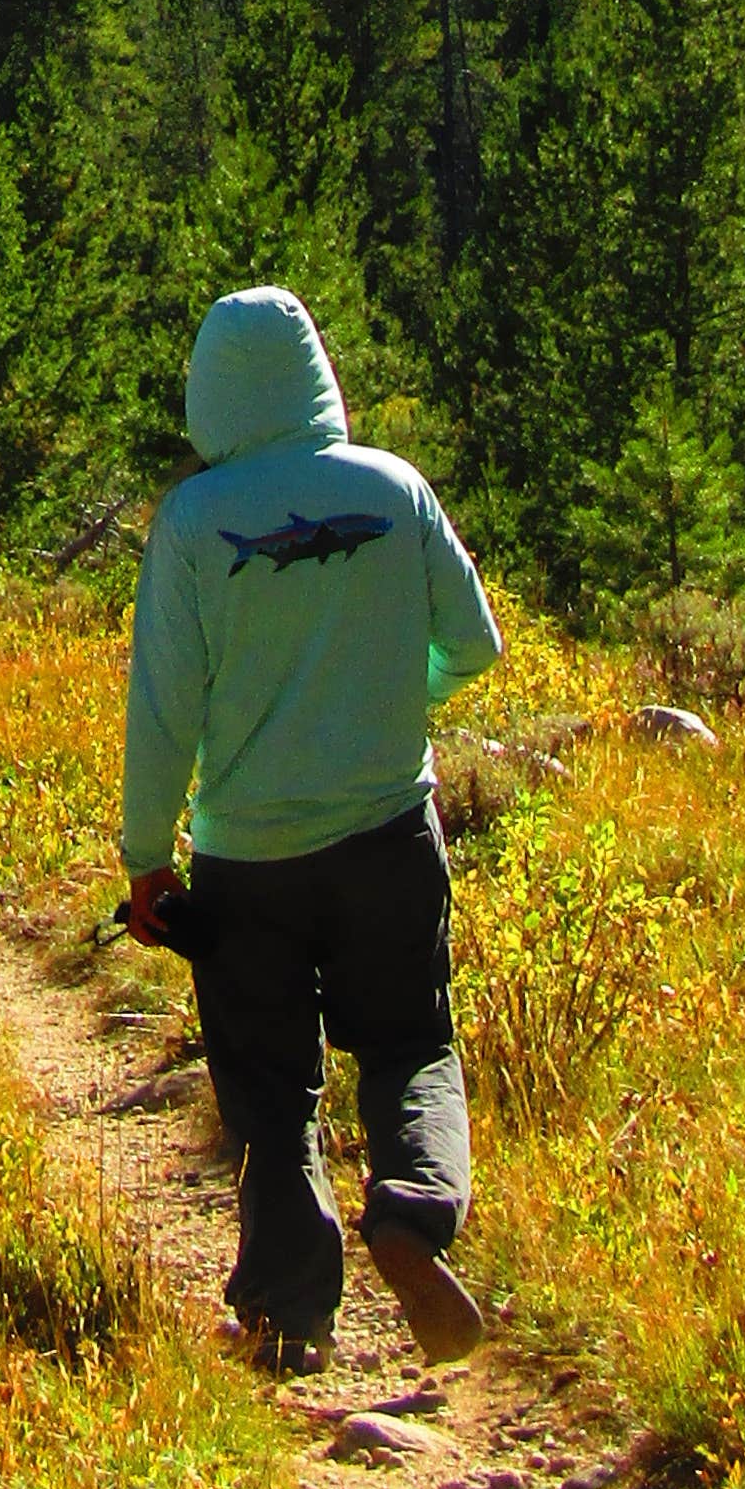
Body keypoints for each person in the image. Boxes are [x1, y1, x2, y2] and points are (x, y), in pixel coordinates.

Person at [119, 282, 502, 1371]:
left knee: (269, 1082)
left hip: (247, 862)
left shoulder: (194, 521)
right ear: (318, 373)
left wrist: (148, 857)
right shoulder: (394, 487)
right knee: (411, 1041)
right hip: (389, 834)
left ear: (210, 392)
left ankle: (290, 1312)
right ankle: (413, 1213)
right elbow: (472, 644)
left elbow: (166, 703)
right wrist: (396, 690)